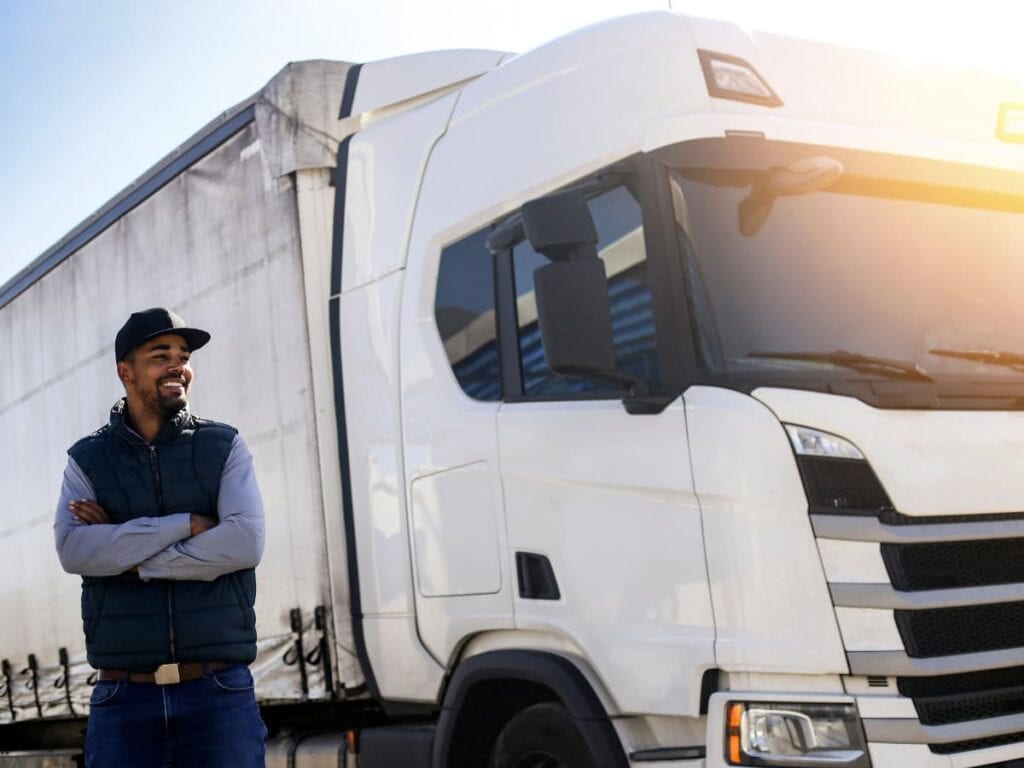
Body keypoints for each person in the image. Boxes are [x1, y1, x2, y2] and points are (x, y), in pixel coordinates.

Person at [53, 307, 267, 767]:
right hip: (123, 696)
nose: (178, 366)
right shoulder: (87, 459)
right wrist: (185, 524)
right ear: (125, 371)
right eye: (160, 354)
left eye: (183, 355)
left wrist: (125, 554)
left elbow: (244, 542)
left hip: (218, 693)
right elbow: (74, 550)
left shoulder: (224, 445)